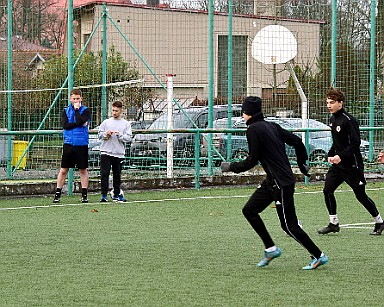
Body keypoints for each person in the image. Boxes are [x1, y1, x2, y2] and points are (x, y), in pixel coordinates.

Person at [221, 96, 328, 270]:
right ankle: (270, 249)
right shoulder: (272, 126)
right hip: (273, 182)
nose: (243, 115)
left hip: (281, 183)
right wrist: (302, 164)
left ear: (247, 113)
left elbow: (251, 160)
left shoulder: (253, 129)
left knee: (289, 226)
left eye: (243, 112)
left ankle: (318, 255)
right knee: (249, 210)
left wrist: (230, 167)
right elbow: (297, 141)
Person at [318, 87, 384, 235]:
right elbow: (336, 142)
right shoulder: (332, 118)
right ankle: (333, 223)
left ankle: (379, 222)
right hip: (338, 166)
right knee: (327, 190)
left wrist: (341, 156)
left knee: (360, 196)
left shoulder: (349, 120)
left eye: (332, 102)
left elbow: (355, 144)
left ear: (340, 103)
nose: (329, 105)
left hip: (352, 165)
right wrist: (330, 154)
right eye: (327, 102)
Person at [53, 89, 91, 203]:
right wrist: (77, 124)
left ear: (81, 99)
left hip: (81, 144)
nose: (76, 101)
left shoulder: (86, 110)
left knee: (83, 170)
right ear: (70, 99)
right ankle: (57, 194)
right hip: (69, 144)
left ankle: (84, 195)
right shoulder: (65, 111)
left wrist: (77, 111)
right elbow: (65, 125)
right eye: (74, 99)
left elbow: (81, 120)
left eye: (78, 99)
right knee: (64, 170)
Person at [98, 101, 132, 202]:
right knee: (104, 174)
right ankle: (103, 195)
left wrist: (120, 135)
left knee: (117, 175)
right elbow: (99, 135)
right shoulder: (106, 122)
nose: (114, 112)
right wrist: (106, 135)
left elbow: (128, 138)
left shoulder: (126, 124)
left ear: (121, 110)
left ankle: (116, 194)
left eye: (116, 111)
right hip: (106, 152)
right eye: (113, 110)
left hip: (118, 153)